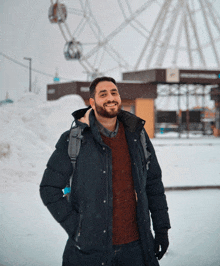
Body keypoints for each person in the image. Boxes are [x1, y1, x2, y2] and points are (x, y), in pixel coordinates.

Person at [40, 76, 171, 266]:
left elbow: (153, 184)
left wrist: (161, 229)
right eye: (103, 94)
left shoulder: (137, 135)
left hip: (136, 249)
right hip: (90, 253)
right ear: (92, 102)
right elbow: (49, 188)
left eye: (114, 92)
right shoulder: (74, 140)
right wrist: (77, 229)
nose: (110, 97)